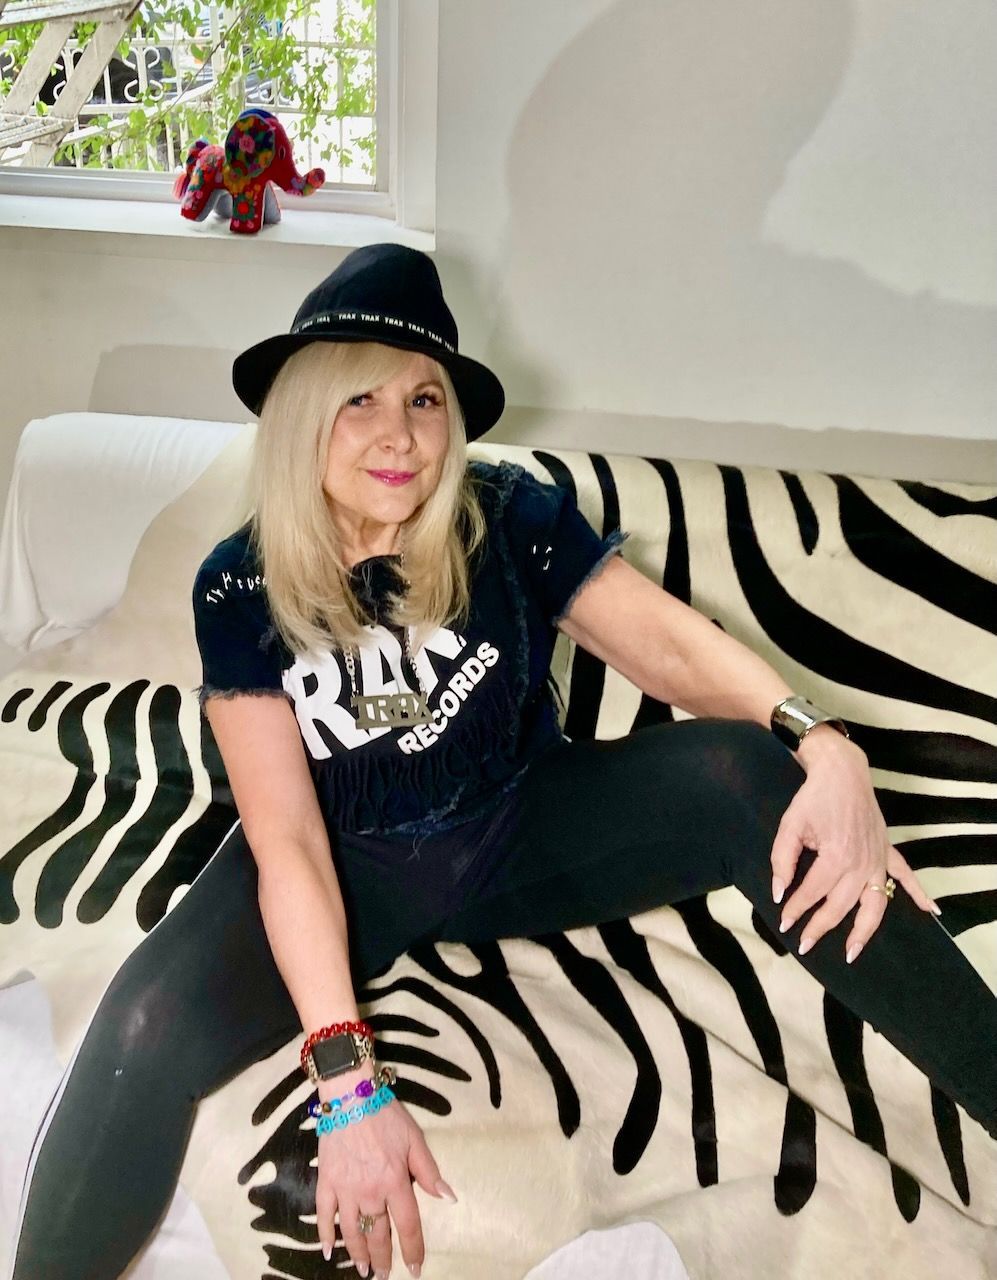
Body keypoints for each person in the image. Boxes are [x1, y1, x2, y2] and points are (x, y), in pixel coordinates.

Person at [8, 244, 997, 1280]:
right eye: (359, 399)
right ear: (303, 414)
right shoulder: (238, 584)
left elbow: (664, 646)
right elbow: (287, 839)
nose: (399, 433)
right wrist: (347, 1080)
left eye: (424, 399)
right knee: (142, 1021)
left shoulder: (505, 513)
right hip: (342, 865)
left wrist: (822, 744)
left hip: (517, 827)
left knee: (754, 775)